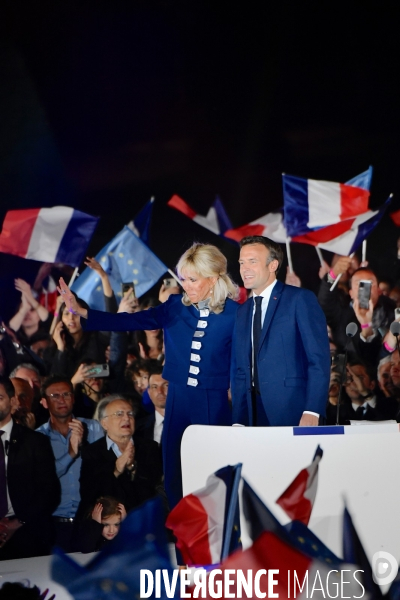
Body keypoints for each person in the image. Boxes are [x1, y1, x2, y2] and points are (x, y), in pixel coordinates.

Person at [58, 242, 239, 509]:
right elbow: (133, 320)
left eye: (193, 279)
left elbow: (243, 366)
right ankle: (182, 532)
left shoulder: (237, 313)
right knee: (175, 472)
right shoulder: (175, 306)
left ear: (213, 279)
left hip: (213, 401)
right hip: (177, 399)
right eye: (184, 278)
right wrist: (84, 312)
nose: (186, 285)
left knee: (214, 472)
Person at [231, 236, 330, 427]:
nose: (245, 269)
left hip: (294, 410)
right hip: (252, 414)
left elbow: (318, 359)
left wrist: (312, 410)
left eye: (252, 261)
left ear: (273, 265)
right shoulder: (242, 311)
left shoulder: (299, 299)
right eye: (242, 262)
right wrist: (239, 418)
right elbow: (241, 370)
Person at [36, 375, 104, 552]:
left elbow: (104, 469)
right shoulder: (38, 438)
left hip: (92, 519)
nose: (62, 400)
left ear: (73, 398)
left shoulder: (94, 428)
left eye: (66, 394)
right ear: (44, 402)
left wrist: (85, 445)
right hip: (56, 523)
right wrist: (71, 453)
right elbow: (44, 477)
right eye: (55, 396)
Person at [0, 377, 60, 560]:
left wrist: (18, 522)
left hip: (27, 534)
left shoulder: (35, 442)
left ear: (12, 401)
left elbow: (49, 492)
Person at [77, 395, 162, 518]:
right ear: (104, 423)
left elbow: (155, 488)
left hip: (143, 520)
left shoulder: (149, 447)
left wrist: (132, 467)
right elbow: (89, 493)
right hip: (107, 525)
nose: (126, 418)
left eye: (130, 414)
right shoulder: (92, 452)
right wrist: (116, 470)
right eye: (119, 414)